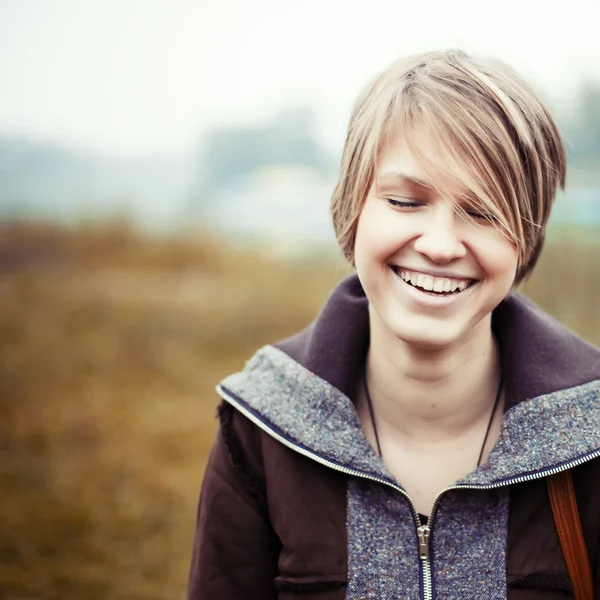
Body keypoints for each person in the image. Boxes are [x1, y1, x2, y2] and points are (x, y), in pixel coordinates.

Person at [188, 49, 600, 599]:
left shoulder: (592, 434)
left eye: (482, 212)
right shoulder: (259, 430)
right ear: (354, 209)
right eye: (406, 201)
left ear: (526, 235)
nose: (439, 244)